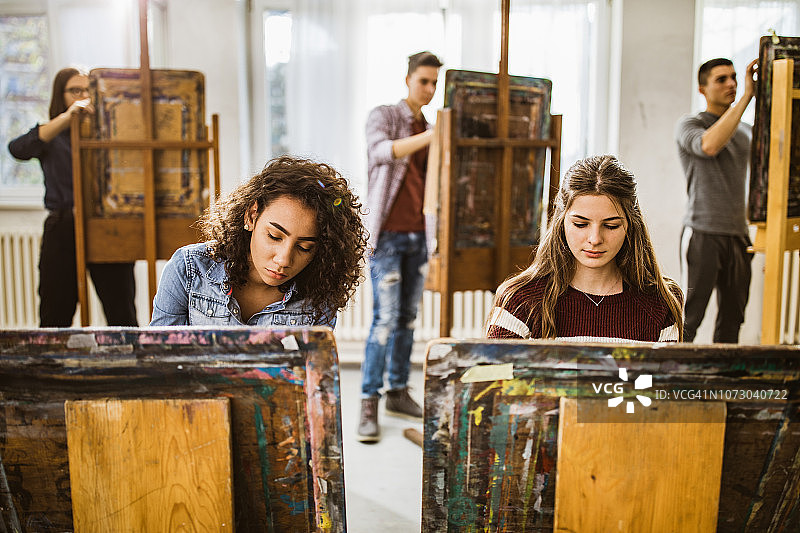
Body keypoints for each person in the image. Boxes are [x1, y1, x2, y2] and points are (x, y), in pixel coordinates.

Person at [150, 155, 366, 327]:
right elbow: (158, 362)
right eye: (274, 236)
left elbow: (311, 378)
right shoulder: (188, 269)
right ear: (251, 216)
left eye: (304, 247)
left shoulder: (319, 296)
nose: (283, 260)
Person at [486, 155, 683, 343]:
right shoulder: (520, 299)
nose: (595, 239)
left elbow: (658, 378)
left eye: (611, 225)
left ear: (630, 226)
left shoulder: (660, 301)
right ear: (561, 222)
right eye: (581, 224)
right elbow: (494, 377)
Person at [8, 67, 137, 327]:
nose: (82, 97)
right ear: (60, 95)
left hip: (106, 226)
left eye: (87, 91)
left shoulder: (109, 133)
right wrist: (67, 118)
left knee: (121, 312)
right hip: (64, 227)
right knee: (55, 312)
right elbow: (17, 149)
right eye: (74, 91)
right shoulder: (52, 135)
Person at [358, 51, 443, 442]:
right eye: (424, 80)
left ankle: (396, 391)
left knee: (408, 319)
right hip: (387, 236)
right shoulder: (385, 116)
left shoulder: (431, 127)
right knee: (384, 320)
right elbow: (380, 152)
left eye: (434, 83)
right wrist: (431, 136)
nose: (429, 89)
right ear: (408, 78)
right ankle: (368, 401)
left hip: (418, 237)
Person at [675, 57, 757, 343]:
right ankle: (675, 381)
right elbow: (709, 145)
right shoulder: (690, 124)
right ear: (702, 89)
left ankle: (725, 385)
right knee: (689, 318)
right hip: (702, 233)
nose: (731, 84)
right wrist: (747, 97)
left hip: (738, 236)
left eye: (734, 77)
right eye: (721, 79)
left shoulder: (746, 131)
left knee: (733, 319)